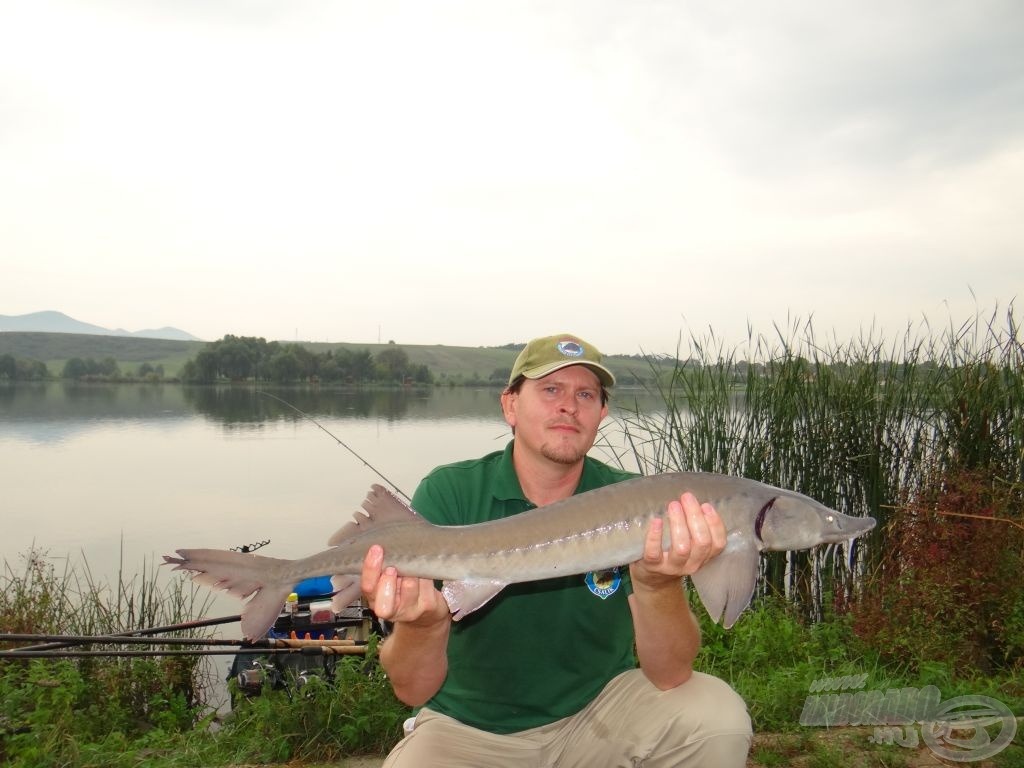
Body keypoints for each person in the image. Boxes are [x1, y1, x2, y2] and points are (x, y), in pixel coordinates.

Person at [361, 333, 752, 767]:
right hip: (467, 729)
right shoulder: (451, 493)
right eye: (551, 390)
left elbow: (671, 674)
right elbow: (412, 690)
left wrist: (658, 583)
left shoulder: (634, 500)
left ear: (602, 413)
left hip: (600, 717)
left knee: (718, 719)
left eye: (586, 394)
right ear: (510, 405)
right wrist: (423, 625)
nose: (569, 405)